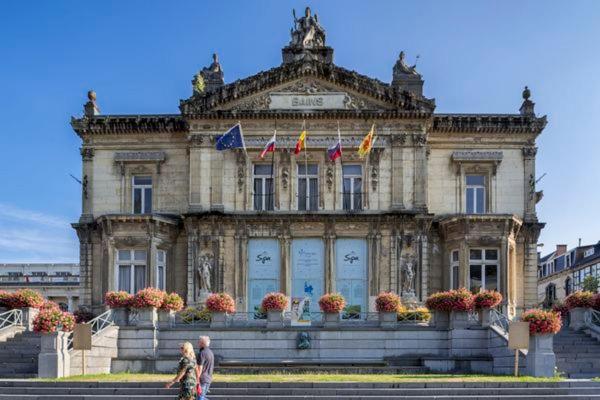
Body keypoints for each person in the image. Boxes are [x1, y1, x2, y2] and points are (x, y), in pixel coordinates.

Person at [196, 335, 214, 400]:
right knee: (201, 397)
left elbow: (199, 368)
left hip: (202, 379)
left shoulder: (202, 353)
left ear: (202, 343)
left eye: (199, 342)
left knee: (200, 398)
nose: (198, 343)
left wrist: (197, 380)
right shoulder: (210, 352)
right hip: (208, 379)